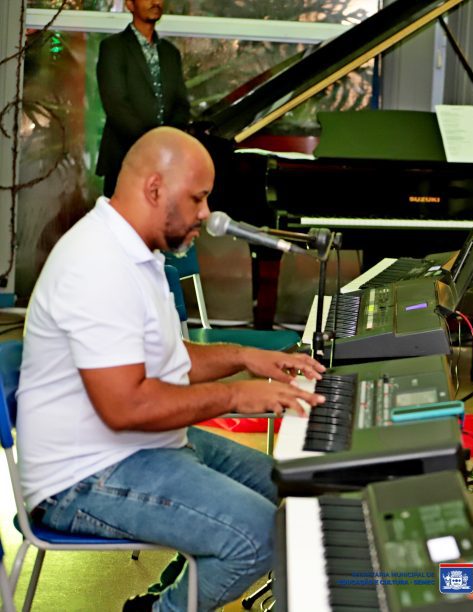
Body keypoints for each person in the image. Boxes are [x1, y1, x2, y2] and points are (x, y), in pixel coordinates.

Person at [16, 127, 327, 612]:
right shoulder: (97, 265)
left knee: (292, 491)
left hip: (139, 448)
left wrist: (245, 358)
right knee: (258, 535)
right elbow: (127, 405)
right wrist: (236, 395)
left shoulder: (137, 254)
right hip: (80, 476)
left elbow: (168, 357)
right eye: (198, 198)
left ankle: (162, 597)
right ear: (155, 189)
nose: (207, 213)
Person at [97, 0, 190, 197]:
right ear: (129, 4)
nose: (156, 2)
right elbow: (116, 106)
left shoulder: (170, 53)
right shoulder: (112, 47)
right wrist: (152, 145)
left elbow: (182, 105)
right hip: (124, 159)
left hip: (166, 165)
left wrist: (167, 144)